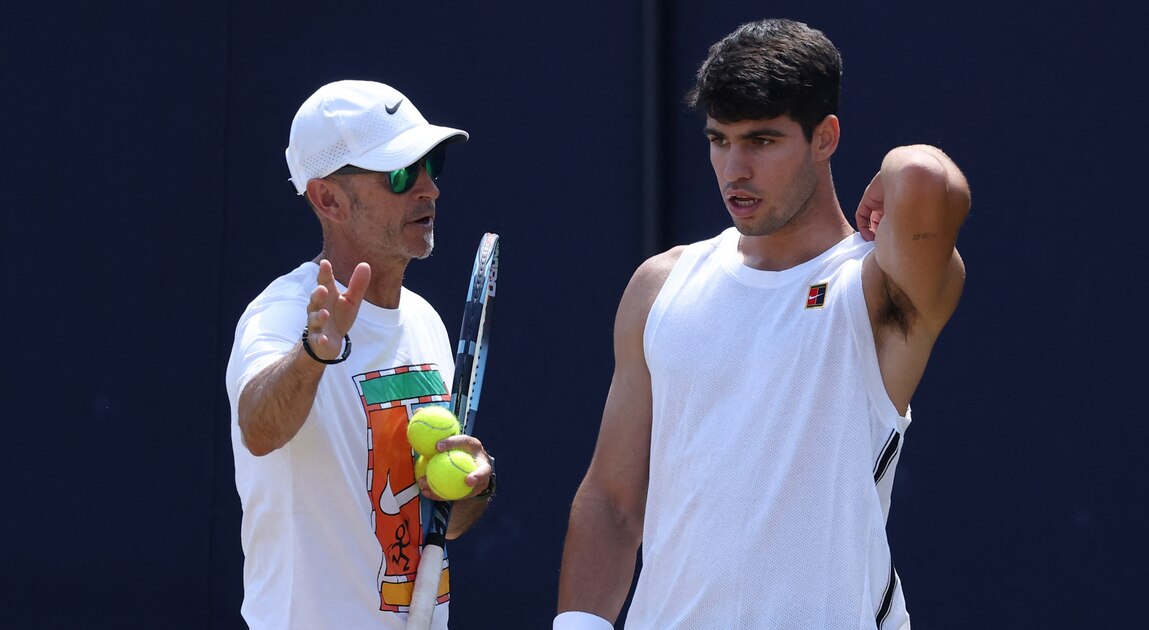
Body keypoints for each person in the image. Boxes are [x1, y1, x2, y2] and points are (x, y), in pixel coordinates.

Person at [556, 19, 969, 629]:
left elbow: (930, 183)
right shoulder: (660, 285)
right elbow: (612, 501)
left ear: (825, 137)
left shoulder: (878, 284)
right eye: (719, 140)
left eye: (763, 141)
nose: (735, 169)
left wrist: (898, 168)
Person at [226, 79, 496, 629]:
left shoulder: (425, 322)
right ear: (328, 198)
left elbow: (435, 521)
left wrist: (473, 484)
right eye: (400, 174)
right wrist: (312, 356)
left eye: (431, 166)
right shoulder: (280, 316)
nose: (429, 190)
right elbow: (258, 428)